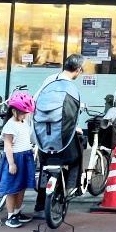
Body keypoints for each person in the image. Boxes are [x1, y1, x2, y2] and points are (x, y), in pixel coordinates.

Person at [32, 55, 85, 206]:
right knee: (78, 150)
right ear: (78, 70)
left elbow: (35, 101)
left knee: (45, 165)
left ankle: (40, 204)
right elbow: (70, 116)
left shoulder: (50, 80)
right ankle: (71, 188)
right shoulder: (70, 88)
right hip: (61, 135)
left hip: (42, 133)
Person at [0, 91, 37, 228]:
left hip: (25, 156)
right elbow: (8, 145)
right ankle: (10, 216)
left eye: (27, 113)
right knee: (12, 188)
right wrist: (11, 163)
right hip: (15, 158)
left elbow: (25, 138)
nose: (26, 115)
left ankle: (17, 212)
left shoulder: (23, 122)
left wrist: (30, 148)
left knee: (22, 187)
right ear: (14, 111)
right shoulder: (10, 125)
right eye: (23, 113)